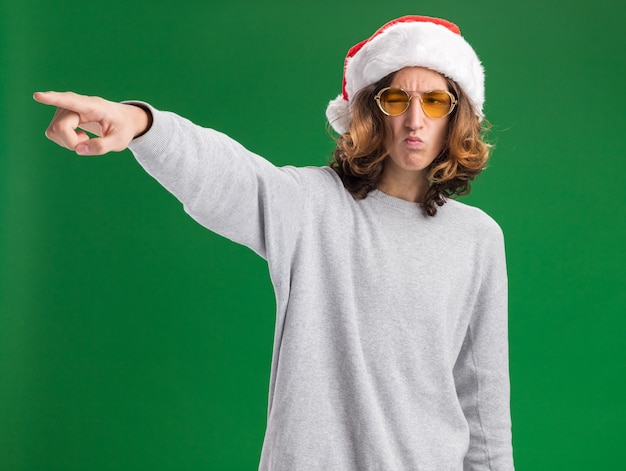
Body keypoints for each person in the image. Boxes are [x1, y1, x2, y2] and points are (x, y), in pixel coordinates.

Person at [34, 15, 514, 471]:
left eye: (434, 101)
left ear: (457, 116)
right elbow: (228, 172)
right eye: (395, 100)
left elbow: (483, 404)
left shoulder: (477, 239)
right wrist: (142, 124)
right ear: (370, 111)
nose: (414, 119)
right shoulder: (311, 205)